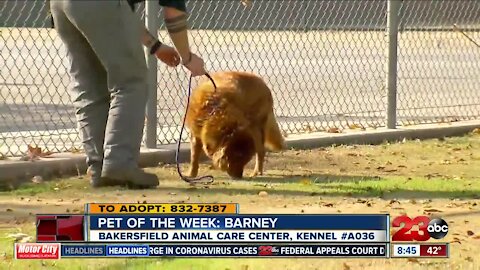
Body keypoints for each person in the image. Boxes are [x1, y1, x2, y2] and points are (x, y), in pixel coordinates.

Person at [49, 0, 206, 189]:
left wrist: (155, 46)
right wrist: (187, 57)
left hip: (62, 5)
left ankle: (99, 168)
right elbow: (173, 13)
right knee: (131, 83)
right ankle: (119, 163)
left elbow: (123, 14)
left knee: (90, 87)